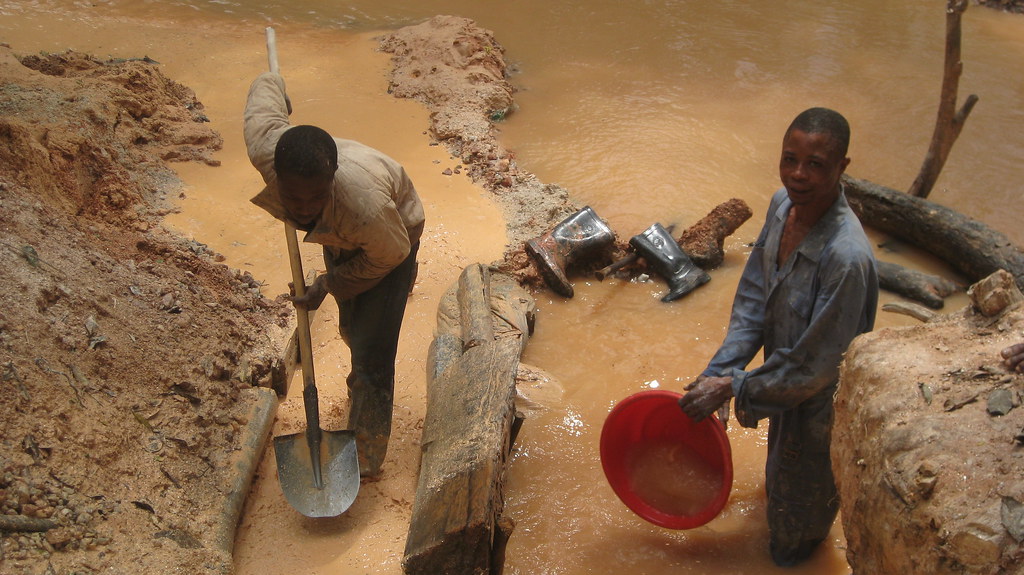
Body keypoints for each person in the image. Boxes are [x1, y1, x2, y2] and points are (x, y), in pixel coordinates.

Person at [678, 107, 878, 566]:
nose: (798, 174)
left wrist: (733, 387)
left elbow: (814, 369)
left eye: (815, 165)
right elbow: (753, 300)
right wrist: (721, 371)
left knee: (794, 537)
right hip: (778, 387)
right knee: (775, 489)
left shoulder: (845, 258)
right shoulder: (782, 206)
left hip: (820, 411)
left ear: (842, 168)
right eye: (790, 159)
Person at [243, 71, 425, 479]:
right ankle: (359, 365)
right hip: (341, 227)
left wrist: (328, 284)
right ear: (277, 176)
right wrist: (274, 80)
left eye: (315, 197)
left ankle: (365, 458)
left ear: (332, 181)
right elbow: (262, 107)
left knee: (372, 355)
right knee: (352, 326)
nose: (303, 209)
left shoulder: (366, 210)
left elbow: (388, 255)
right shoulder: (267, 151)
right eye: (293, 197)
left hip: (394, 239)